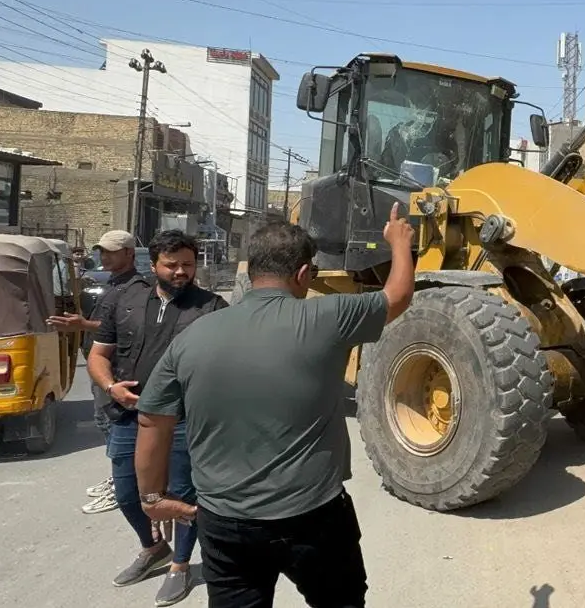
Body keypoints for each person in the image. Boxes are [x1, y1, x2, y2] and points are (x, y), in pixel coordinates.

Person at [134, 205, 415, 608]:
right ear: (303, 275)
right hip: (314, 517)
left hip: (225, 522)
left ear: (250, 272)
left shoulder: (194, 337)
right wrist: (400, 242)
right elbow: (398, 295)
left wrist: (151, 497)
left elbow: (151, 419)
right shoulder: (327, 317)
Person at [89, 229, 227, 607]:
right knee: (128, 492)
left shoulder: (211, 307)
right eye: (172, 265)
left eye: (188, 264)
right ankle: (153, 548)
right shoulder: (124, 300)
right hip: (129, 414)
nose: (181, 271)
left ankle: (180, 565)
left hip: (183, 418)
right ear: (154, 265)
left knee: (180, 492)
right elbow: (99, 356)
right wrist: (111, 387)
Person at [48, 230, 140, 515]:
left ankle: (125, 483)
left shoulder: (134, 288)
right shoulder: (114, 283)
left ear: (129, 254)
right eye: (102, 251)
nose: (105, 256)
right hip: (100, 367)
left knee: (114, 427)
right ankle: (118, 476)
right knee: (104, 423)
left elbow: (124, 327)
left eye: (112, 251)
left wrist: (83, 325)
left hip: (114, 368)